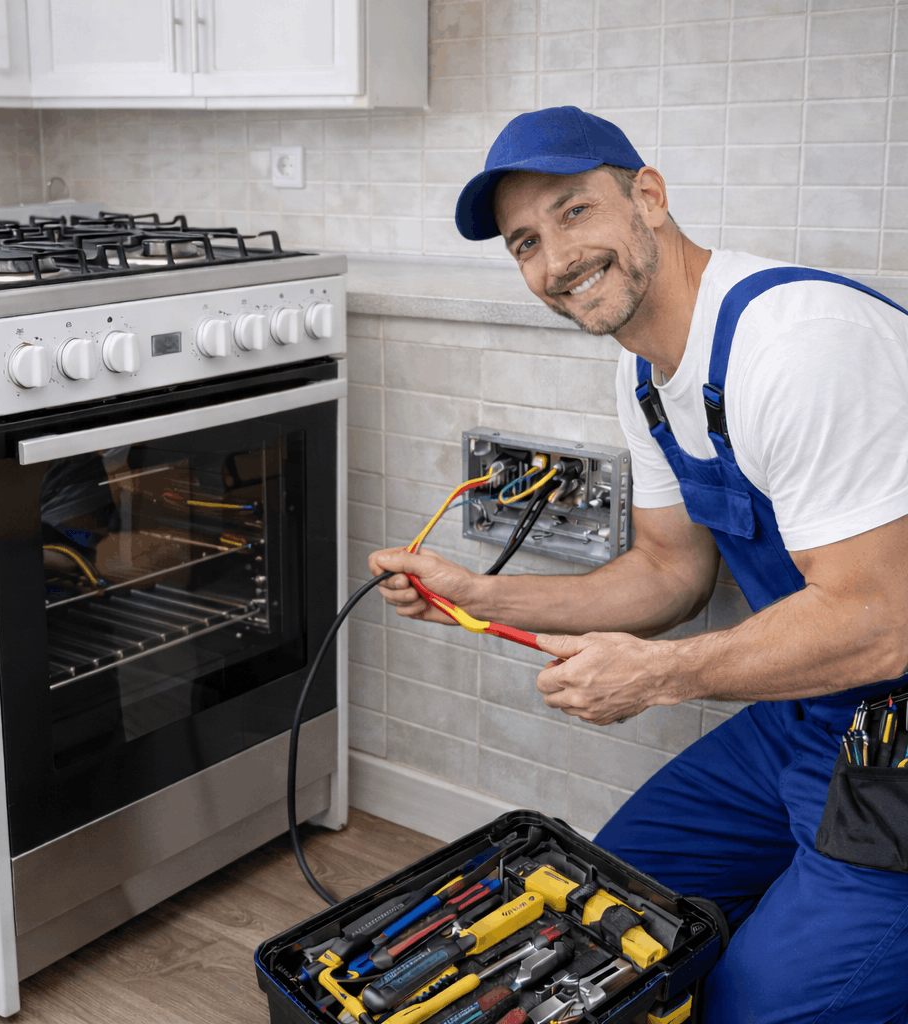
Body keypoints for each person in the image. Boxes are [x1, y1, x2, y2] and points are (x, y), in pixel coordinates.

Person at [368, 106, 908, 1022]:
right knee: (612, 911)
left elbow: (882, 621)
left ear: (648, 198)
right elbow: (669, 574)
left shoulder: (797, 349)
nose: (555, 261)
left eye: (574, 213)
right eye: (525, 242)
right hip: (811, 710)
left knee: (750, 1003)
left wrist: (660, 674)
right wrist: (479, 590)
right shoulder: (645, 374)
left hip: (891, 725)